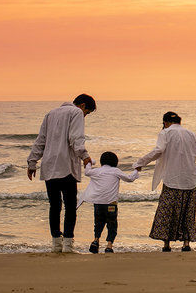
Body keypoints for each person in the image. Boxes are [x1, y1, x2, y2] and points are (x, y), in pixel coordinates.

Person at [27, 94, 96, 253]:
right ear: (83, 106)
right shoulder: (76, 113)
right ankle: (67, 245)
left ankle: (56, 243)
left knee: (54, 205)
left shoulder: (50, 113)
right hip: (65, 166)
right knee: (70, 206)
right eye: (88, 113)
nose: (85, 116)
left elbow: (40, 141)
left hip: (49, 166)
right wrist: (85, 156)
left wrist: (32, 162)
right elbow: (76, 138)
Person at [133, 111, 196, 252]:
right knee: (188, 212)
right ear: (179, 122)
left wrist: (140, 162)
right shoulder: (191, 134)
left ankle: (166, 244)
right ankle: (186, 244)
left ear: (165, 123)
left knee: (167, 211)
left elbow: (159, 150)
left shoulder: (165, 133)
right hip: (190, 179)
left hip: (171, 179)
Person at [77, 151, 140, 254]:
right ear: (115, 162)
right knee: (112, 224)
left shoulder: (97, 171)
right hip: (111, 204)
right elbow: (129, 179)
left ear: (102, 162)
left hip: (98, 203)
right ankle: (109, 245)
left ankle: (96, 240)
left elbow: (87, 172)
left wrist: (89, 162)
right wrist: (136, 171)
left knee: (98, 223)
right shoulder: (116, 171)